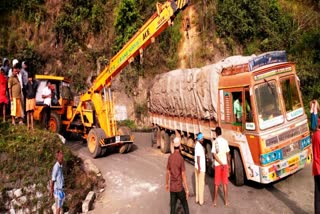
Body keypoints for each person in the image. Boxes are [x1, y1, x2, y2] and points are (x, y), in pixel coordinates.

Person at [166, 137, 190, 214]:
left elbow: (167, 172)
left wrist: (166, 184)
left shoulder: (170, 157)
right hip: (179, 187)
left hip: (172, 188)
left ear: (173, 146)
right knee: (185, 205)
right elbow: (183, 174)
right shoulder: (181, 159)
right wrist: (186, 189)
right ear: (179, 147)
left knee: (172, 207)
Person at [211, 127, 231, 206]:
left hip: (218, 165)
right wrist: (228, 165)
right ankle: (226, 201)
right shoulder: (225, 141)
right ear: (221, 133)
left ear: (216, 133)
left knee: (216, 184)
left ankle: (215, 202)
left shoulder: (214, 142)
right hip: (225, 165)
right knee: (225, 184)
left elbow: (214, 155)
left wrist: (220, 162)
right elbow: (228, 154)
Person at [50, 150, 65, 214]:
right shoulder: (56, 167)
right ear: (58, 157)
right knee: (58, 208)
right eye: (61, 157)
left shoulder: (60, 166)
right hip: (57, 191)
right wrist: (51, 190)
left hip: (60, 190)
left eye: (62, 157)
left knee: (59, 207)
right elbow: (53, 180)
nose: (62, 158)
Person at [194, 132, 206, 205]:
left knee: (197, 183)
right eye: (202, 138)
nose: (203, 139)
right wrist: (199, 167)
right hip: (200, 168)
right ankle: (201, 201)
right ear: (199, 139)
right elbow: (198, 157)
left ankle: (197, 199)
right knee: (201, 184)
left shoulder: (197, 145)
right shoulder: (199, 146)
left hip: (197, 167)